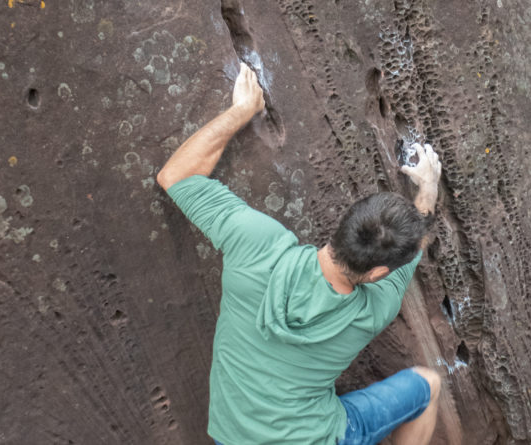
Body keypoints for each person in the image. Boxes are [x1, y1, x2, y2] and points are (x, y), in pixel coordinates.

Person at [157, 63, 443, 445]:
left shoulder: (256, 244)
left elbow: (175, 176)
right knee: (428, 384)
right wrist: (428, 191)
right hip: (316, 438)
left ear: (343, 222)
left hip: (234, 436)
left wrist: (241, 111)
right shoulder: (375, 309)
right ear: (378, 273)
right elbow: (413, 250)